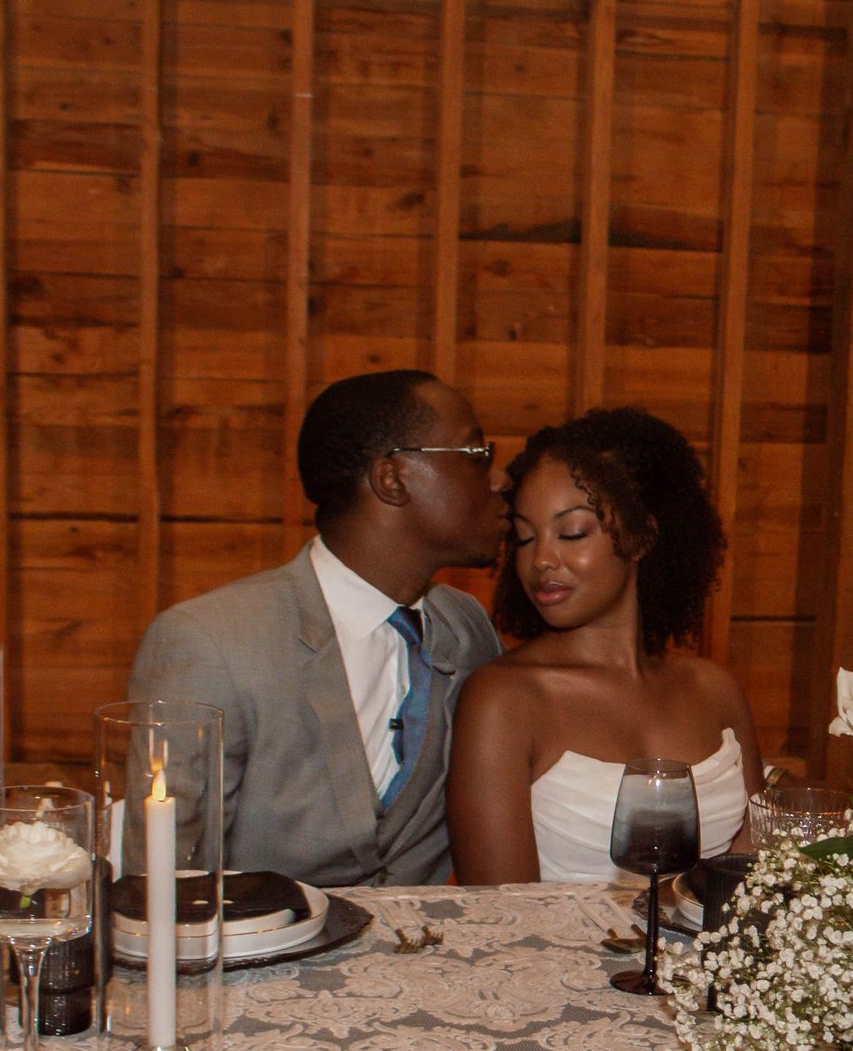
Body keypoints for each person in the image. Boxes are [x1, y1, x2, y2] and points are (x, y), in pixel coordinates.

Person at [127, 370, 505, 887]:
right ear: (392, 478)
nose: (498, 479)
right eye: (476, 454)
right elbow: (165, 877)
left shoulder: (465, 627)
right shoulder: (211, 641)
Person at [447, 407, 761, 883]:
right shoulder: (503, 699)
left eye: (571, 533)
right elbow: (498, 910)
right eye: (525, 538)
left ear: (640, 537)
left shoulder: (715, 689)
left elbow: (752, 874)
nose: (542, 560)